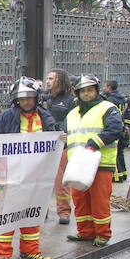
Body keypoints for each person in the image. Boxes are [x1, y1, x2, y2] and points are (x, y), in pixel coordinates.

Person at [0, 77, 56, 259]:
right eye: (22, 98)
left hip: (36, 176)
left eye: (29, 98)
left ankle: (30, 251)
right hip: (11, 175)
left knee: (32, 214)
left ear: (36, 98)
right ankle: (3, 253)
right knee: (7, 214)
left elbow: (54, 141)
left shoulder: (45, 117)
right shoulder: (6, 117)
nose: (26, 102)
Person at [65, 75, 124, 247]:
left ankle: (102, 234)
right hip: (77, 164)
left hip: (100, 163)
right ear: (77, 93)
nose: (86, 93)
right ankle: (85, 232)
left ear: (97, 90)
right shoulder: (72, 113)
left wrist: (94, 143)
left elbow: (115, 129)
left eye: (90, 90)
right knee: (80, 200)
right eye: (82, 91)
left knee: (99, 201)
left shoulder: (107, 108)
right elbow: (67, 135)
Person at [43, 68, 76, 224]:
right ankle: (41, 211)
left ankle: (64, 212)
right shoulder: (44, 99)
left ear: (60, 81)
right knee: (42, 180)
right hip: (45, 145)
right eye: (47, 78)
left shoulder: (70, 100)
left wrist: (63, 132)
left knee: (61, 181)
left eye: (51, 78)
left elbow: (73, 120)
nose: (48, 81)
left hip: (62, 145)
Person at [102, 80, 130, 183]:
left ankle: (117, 177)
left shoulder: (110, 100)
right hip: (122, 128)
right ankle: (123, 174)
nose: (103, 88)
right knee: (120, 153)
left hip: (115, 128)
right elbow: (127, 113)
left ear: (109, 87)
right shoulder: (123, 99)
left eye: (105, 86)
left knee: (116, 153)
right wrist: (127, 125)